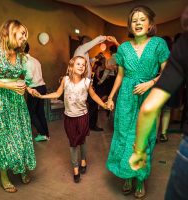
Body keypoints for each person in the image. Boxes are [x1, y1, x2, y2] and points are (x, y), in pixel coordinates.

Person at [106, 5, 170, 199]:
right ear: (130, 25)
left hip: (148, 97)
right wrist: (110, 97)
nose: (138, 23)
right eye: (134, 20)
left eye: (142, 19)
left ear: (150, 24)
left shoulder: (158, 44)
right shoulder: (124, 48)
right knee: (125, 136)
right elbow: (120, 76)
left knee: (143, 138)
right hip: (126, 97)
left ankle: (140, 178)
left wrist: (150, 83)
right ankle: (127, 175)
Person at [129, 5, 188, 200]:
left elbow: (149, 108)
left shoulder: (181, 45)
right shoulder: (125, 48)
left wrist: (138, 151)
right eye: (134, 20)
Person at [34, 56, 108, 183]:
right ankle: (75, 167)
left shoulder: (86, 82)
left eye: (83, 65)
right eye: (78, 64)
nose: (81, 66)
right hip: (69, 117)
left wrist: (104, 104)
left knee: (82, 140)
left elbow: (94, 95)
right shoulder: (65, 80)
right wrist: (41, 96)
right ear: (71, 67)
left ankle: (83, 160)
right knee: (73, 142)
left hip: (83, 116)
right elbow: (57, 94)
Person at [0, 19, 36, 193]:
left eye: (26, 35)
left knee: (21, 134)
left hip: (17, 101)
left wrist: (27, 88)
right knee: (3, 139)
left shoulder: (21, 55)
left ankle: (22, 168)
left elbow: (19, 78)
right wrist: (9, 86)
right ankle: (4, 175)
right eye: (22, 33)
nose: (24, 37)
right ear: (9, 31)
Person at [74, 35, 119, 132]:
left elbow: (89, 60)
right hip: (80, 84)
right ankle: (83, 126)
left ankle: (91, 125)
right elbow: (94, 42)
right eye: (89, 42)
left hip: (87, 84)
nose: (91, 44)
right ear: (84, 43)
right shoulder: (81, 49)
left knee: (92, 103)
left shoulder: (83, 53)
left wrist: (95, 58)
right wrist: (104, 37)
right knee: (82, 106)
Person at [24, 43, 50, 142]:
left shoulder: (25, 61)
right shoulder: (35, 60)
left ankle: (42, 134)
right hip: (42, 86)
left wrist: (23, 82)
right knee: (40, 112)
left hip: (34, 88)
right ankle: (47, 134)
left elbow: (29, 76)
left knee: (31, 113)